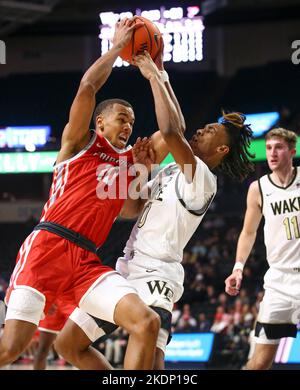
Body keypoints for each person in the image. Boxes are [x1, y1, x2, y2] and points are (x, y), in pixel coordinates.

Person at [0, 17, 182, 370]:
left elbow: (174, 131)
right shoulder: (80, 143)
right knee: (11, 349)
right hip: (47, 249)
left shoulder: (134, 158)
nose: (128, 125)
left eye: (131, 120)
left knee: (146, 322)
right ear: (100, 123)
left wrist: (158, 75)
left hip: (86, 261)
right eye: (120, 118)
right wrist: (116, 48)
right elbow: (87, 87)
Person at [54, 52, 254, 370]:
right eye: (204, 128)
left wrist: (155, 78)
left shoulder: (202, 178)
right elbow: (131, 209)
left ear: (221, 150)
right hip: (126, 266)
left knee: (148, 359)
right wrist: (143, 171)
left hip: (158, 274)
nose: (202, 131)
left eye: (210, 132)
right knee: (68, 344)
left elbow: (172, 132)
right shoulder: (172, 170)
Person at [225, 128, 300, 370]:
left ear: (292, 151)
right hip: (279, 281)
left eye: (278, 147)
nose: (272, 153)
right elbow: (248, 232)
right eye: (268, 148)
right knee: (259, 362)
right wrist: (238, 268)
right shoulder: (258, 189)